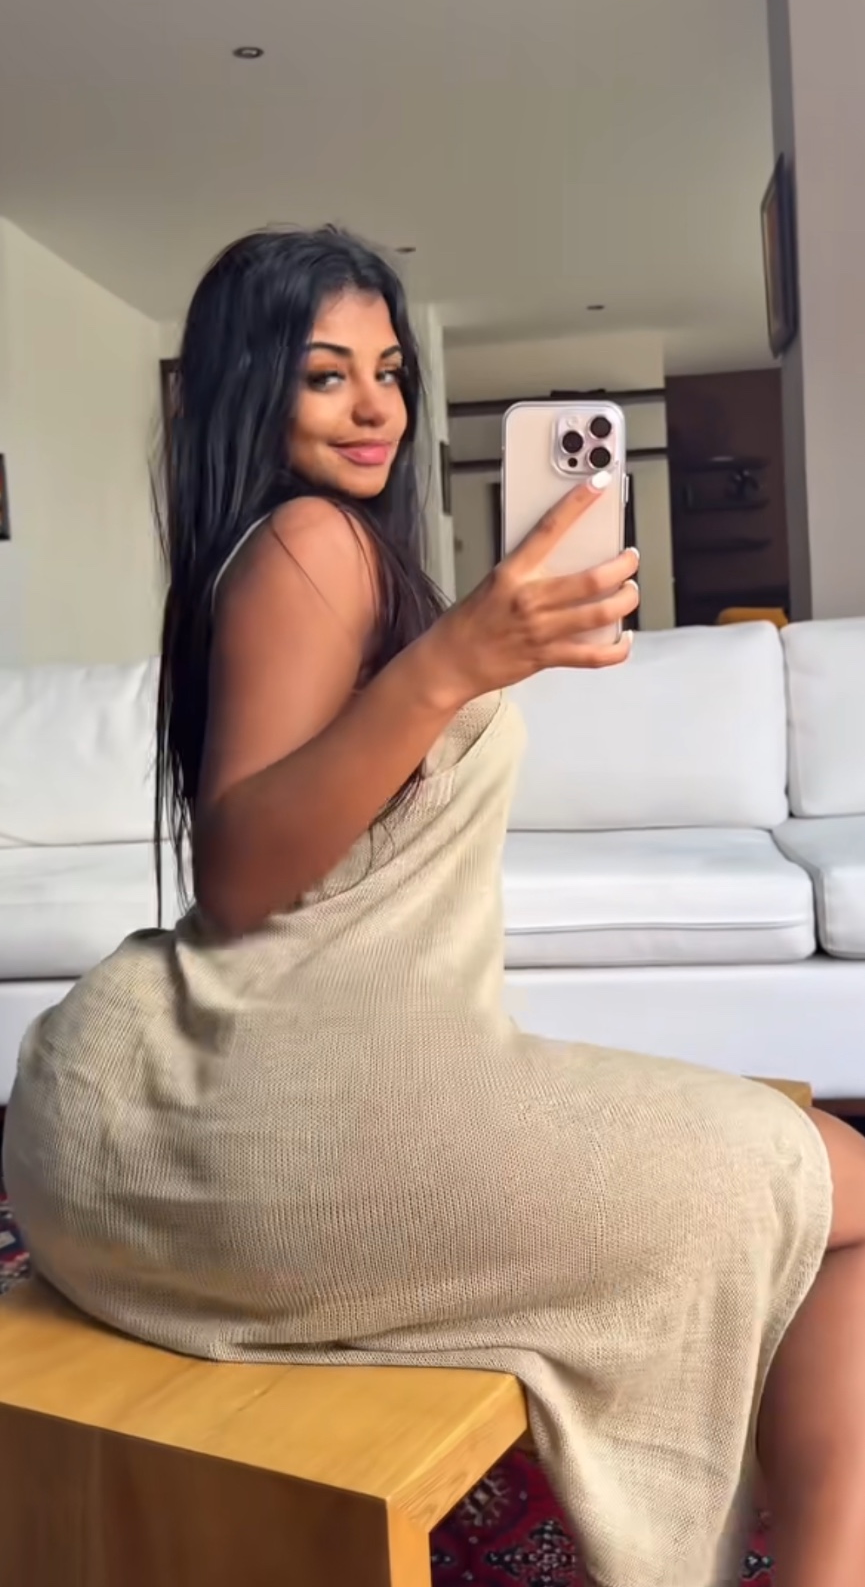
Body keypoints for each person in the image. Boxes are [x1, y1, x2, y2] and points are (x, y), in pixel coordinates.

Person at [4, 227, 865, 1587]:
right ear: (249, 390)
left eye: (390, 371)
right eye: (325, 375)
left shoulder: (292, 554)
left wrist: (467, 655)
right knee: (836, 1192)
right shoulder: (309, 543)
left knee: (796, 1173)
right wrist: (455, 660)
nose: (375, 409)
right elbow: (240, 874)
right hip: (260, 1127)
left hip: (158, 1122)